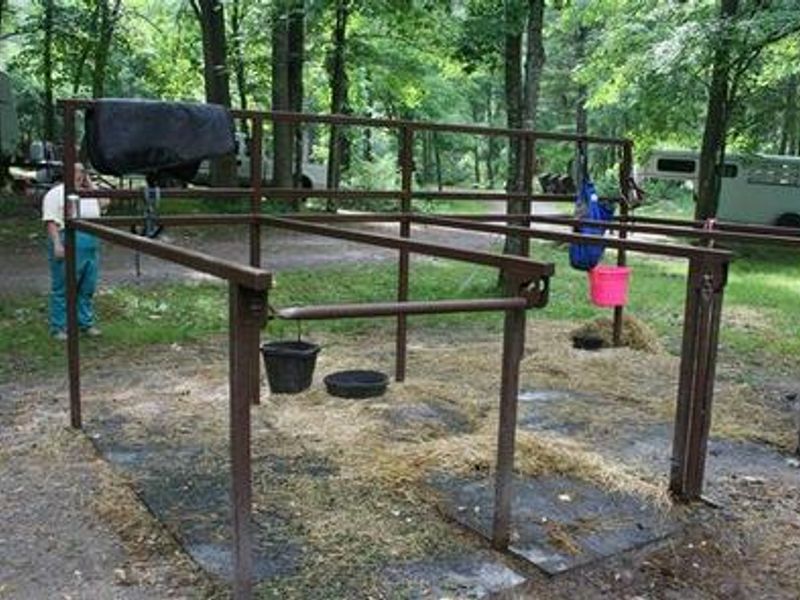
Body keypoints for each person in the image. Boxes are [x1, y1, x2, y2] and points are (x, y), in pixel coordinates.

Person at [41, 164, 108, 340]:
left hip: (90, 243)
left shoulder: (89, 193)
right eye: (76, 172)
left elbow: (105, 202)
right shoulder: (56, 193)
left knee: (87, 287)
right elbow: (51, 221)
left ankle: (85, 323)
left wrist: (89, 183)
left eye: (82, 172)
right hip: (68, 240)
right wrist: (57, 244)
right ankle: (59, 327)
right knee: (63, 286)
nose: (79, 176)